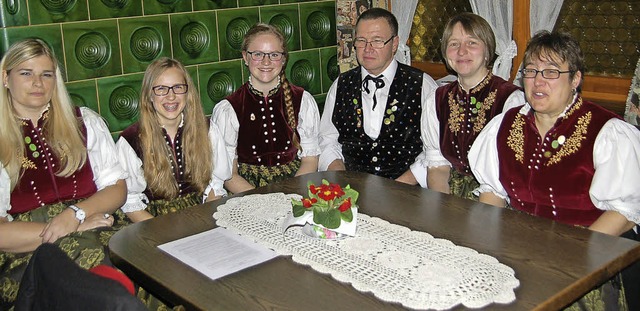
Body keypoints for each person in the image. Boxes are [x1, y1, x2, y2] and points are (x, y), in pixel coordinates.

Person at [469, 31, 640, 310]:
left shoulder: (608, 132)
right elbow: (492, 193)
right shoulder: (504, 125)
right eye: (531, 71)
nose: (538, 81)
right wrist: (486, 249)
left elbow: (624, 214)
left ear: (575, 79)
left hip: (591, 251)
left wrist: (569, 258)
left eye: (551, 72)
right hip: (522, 247)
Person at [0, 38, 127, 308]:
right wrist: (71, 227)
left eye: (46, 75)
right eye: (26, 73)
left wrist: (76, 213)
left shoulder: (84, 121)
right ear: (5, 78)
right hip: (32, 251)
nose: (38, 83)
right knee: (104, 290)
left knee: (148, 267)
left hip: (97, 224)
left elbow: (117, 188)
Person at [319, 7, 438, 185]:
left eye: (377, 41)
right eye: (361, 40)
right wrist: (341, 177)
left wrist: (401, 185)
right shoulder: (341, 85)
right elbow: (327, 139)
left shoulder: (422, 85)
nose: (368, 49)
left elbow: (436, 150)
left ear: (395, 43)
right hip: (352, 191)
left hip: (409, 193)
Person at [116, 57, 231, 223]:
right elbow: (131, 203)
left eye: (178, 87)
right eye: (161, 89)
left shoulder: (207, 130)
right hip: (153, 221)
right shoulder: (131, 140)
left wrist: (207, 224)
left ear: (187, 92)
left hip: (202, 212)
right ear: (149, 95)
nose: (171, 96)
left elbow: (215, 186)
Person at [423, 13, 523, 199]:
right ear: (445, 54)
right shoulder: (437, 99)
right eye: (454, 44)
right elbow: (437, 168)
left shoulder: (511, 100)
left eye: (472, 43)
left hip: (500, 202)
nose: (462, 51)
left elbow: (510, 175)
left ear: (488, 50)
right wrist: (444, 209)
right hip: (450, 198)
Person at [212, 23, 321, 191]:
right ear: (245, 57)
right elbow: (229, 175)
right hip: (247, 193)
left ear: (284, 59)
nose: (266, 62)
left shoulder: (303, 101)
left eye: (274, 55)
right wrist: (263, 202)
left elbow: (310, 160)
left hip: (295, 187)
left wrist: (290, 195)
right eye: (257, 54)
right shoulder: (229, 109)